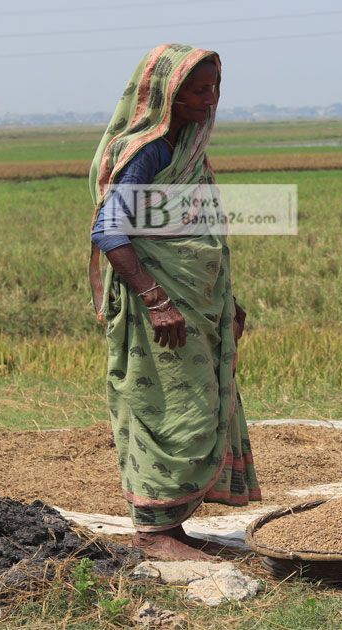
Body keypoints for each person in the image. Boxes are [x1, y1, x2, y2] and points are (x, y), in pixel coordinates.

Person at [87, 44, 259, 560]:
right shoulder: (149, 150)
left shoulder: (186, 147)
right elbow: (110, 229)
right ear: (164, 94)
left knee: (199, 403)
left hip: (199, 304)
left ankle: (174, 526)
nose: (209, 101)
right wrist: (157, 298)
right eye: (196, 91)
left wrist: (230, 300)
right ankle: (153, 531)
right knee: (167, 407)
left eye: (213, 89)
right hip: (159, 309)